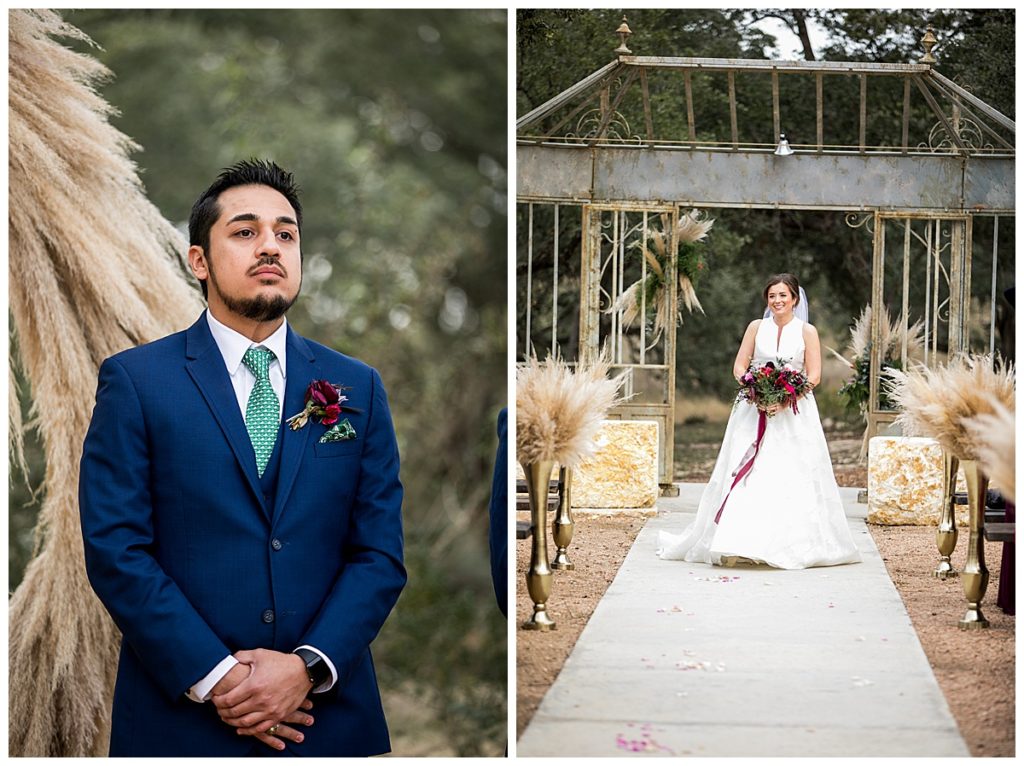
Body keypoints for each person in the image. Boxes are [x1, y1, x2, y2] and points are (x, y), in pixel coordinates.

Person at [79, 159, 406, 756]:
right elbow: (115, 550)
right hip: (182, 722)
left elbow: (379, 555)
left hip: (326, 721)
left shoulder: (357, 387)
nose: (270, 248)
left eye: (286, 234)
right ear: (198, 260)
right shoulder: (136, 382)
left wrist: (306, 667)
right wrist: (222, 680)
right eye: (245, 231)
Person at [657, 273, 861, 569]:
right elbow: (740, 365)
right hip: (751, 411)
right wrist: (753, 387)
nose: (777, 301)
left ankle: (787, 543)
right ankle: (735, 541)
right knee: (743, 470)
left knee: (789, 472)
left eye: (783, 295)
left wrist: (785, 397)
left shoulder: (807, 331)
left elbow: (814, 375)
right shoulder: (756, 327)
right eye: (772, 296)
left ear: (794, 299)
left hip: (794, 413)